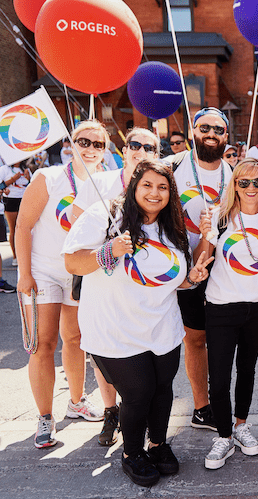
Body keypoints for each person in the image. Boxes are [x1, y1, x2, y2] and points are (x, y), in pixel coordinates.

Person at [63, 159, 213, 487]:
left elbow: (176, 278)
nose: (154, 193)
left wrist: (193, 278)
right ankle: (131, 452)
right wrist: (109, 250)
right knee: (138, 392)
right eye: (147, 184)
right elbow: (72, 260)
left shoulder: (172, 225)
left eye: (162, 187)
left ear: (170, 192)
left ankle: (157, 444)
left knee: (162, 389)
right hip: (114, 328)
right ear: (134, 186)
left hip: (162, 327)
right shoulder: (106, 215)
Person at [16, 120, 108, 449]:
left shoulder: (103, 183)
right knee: (43, 345)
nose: (90, 148)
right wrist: (24, 273)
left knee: (76, 339)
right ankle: (44, 417)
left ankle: (77, 401)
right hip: (42, 271)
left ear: (105, 150)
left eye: (98, 144)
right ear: (70, 143)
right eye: (84, 140)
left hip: (78, 272)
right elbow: (23, 225)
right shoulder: (50, 177)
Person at [70, 127, 161, 445]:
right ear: (124, 150)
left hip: (141, 285)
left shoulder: (158, 186)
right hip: (101, 282)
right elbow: (75, 225)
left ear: (156, 154)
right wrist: (106, 243)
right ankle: (111, 412)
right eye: (134, 145)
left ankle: (142, 415)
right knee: (103, 349)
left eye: (148, 147)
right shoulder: (101, 183)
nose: (140, 150)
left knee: (141, 350)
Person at [194, 158, 258, 469]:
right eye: (244, 182)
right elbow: (202, 259)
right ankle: (224, 436)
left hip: (256, 308)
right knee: (219, 374)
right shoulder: (219, 216)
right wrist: (205, 237)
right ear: (235, 185)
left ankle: (241, 425)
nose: (251, 188)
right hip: (221, 307)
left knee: (247, 369)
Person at [170, 107, 234, 431]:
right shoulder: (173, 169)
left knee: (221, 341)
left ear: (226, 136)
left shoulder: (236, 175)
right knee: (194, 340)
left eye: (218, 130)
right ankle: (201, 408)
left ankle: (225, 403)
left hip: (226, 270)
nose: (211, 134)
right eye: (204, 127)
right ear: (193, 131)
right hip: (186, 268)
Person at [0, 159, 31, 266]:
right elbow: (0, 186)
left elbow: (31, 185)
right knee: (13, 229)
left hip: (24, 200)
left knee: (24, 228)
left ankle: (25, 256)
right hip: (10, 200)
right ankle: (15, 256)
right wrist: (13, 179)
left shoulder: (25, 169)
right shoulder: (4, 169)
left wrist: (28, 177)